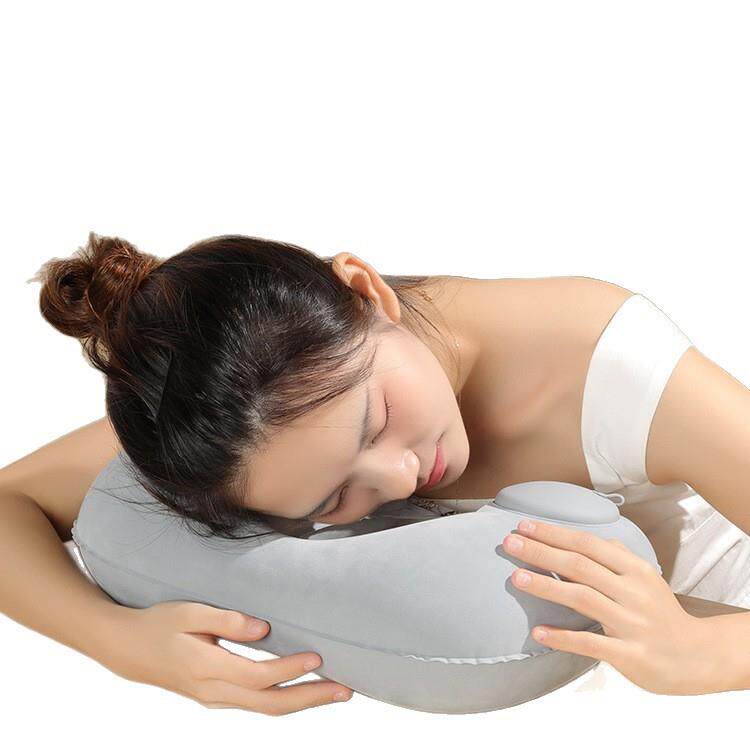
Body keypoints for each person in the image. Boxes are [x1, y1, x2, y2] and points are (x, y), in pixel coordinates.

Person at [2, 232, 749, 713]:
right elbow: (10, 499)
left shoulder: (603, 362)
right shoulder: (248, 429)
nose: (397, 478)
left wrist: (703, 652)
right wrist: (116, 642)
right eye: (332, 498)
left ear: (367, 291)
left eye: (377, 419)